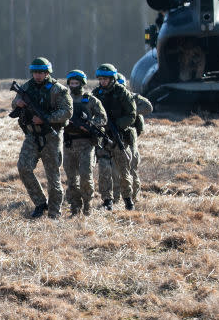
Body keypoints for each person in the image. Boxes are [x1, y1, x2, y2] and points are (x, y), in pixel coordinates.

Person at [11, 57, 72, 219]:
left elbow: (67, 112)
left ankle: (54, 212)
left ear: (47, 73)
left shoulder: (58, 90)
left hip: (51, 136)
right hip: (32, 135)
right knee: (23, 167)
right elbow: (14, 103)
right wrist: (18, 103)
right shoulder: (26, 87)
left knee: (53, 176)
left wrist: (46, 119)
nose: (37, 75)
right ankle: (40, 203)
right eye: (35, 72)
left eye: (41, 73)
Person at [62, 70, 107, 217]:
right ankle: (75, 208)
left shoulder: (91, 100)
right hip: (69, 143)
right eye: (71, 83)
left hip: (86, 144)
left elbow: (103, 118)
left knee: (86, 176)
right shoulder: (64, 99)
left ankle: (88, 205)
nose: (73, 85)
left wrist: (90, 124)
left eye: (76, 83)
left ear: (82, 84)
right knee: (71, 179)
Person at [93, 64, 137, 211]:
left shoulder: (122, 93)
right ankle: (107, 200)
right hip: (103, 138)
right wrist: (100, 125)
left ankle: (127, 198)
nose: (102, 81)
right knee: (104, 169)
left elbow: (131, 114)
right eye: (100, 79)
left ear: (112, 78)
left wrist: (117, 125)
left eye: (105, 79)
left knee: (124, 171)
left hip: (119, 137)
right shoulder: (96, 93)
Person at [117, 73, 153, 205]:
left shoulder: (132, 98)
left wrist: (129, 111)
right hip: (116, 138)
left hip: (130, 139)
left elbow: (148, 107)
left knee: (132, 169)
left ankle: (134, 197)